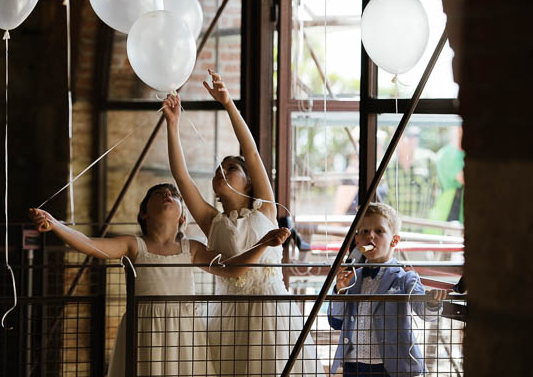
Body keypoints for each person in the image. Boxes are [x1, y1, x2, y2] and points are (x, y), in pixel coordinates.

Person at [30, 183, 290, 377]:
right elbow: (89, 244)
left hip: (186, 334)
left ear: (182, 218)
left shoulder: (193, 247)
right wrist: (56, 225)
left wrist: (263, 244)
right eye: (159, 193)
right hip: (143, 331)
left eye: (174, 195)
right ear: (144, 214)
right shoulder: (134, 245)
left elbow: (233, 270)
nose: (168, 195)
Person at [163, 69, 322, 376]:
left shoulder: (265, 209)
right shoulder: (212, 220)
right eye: (219, 168)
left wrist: (228, 104)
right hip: (229, 314)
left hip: (272, 312)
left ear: (249, 183)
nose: (222, 170)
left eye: (232, 167)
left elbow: (250, 150)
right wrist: (173, 125)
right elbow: (181, 177)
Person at [329, 202, 448, 377]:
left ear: (394, 240)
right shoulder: (352, 277)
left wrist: (432, 303)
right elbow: (336, 322)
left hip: (391, 366)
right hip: (354, 364)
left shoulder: (406, 278)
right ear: (357, 240)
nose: (370, 236)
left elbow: (425, 314)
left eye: (379, 231)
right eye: (364, 231)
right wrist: (340, 290)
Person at [384, 126, 438, 220]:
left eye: (415, 135)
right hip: (394, 229)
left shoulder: (429, 161)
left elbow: (436, 192)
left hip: (423, 227)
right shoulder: (386, 165)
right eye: (408, 135)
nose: (412, 140)